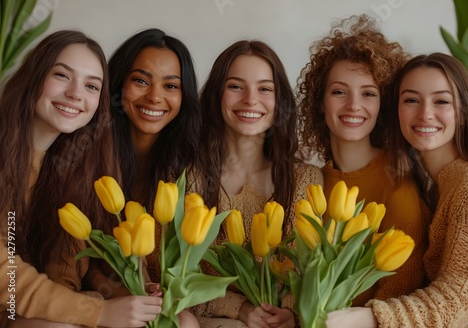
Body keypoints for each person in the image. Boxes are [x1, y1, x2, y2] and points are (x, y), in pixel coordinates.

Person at [0, 30, 162, 327]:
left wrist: (131, 291)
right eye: (62, 75)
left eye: (91, 85)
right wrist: (96, 312)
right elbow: (6, 277)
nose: (76, 94)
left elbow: (63, 272)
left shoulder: (78, 169)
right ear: (33, 76)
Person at [327, 52, 468, 327]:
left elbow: (457, 300)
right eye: (411, 100)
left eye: (441, 101)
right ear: (396, 111)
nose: (425, 114)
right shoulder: (431, 183)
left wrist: (369, 317)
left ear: (464, 113)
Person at [297, 14, 431, 306]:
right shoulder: (309, 181)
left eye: (368, 93)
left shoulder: (398, 187)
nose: (353, 105)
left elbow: (397, 296)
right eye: (339, 92)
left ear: (382, 105)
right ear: (320, 101)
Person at [193, 39, 323, 328]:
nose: (250, 99)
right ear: (217, 95)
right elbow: (172, 279)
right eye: (236, 86)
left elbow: (309, 270)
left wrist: (290, 312)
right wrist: (239, 308)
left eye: (265, 88)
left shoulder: (306, 179)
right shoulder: (189, 180)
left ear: (280, 103)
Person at [104, 28, 202, 327]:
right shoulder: (89, 157)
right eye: (141, 80)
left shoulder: (189, 169)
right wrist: (116, 291)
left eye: (170, 85)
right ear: (118, 84)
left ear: (184, 95)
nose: (155, 96)